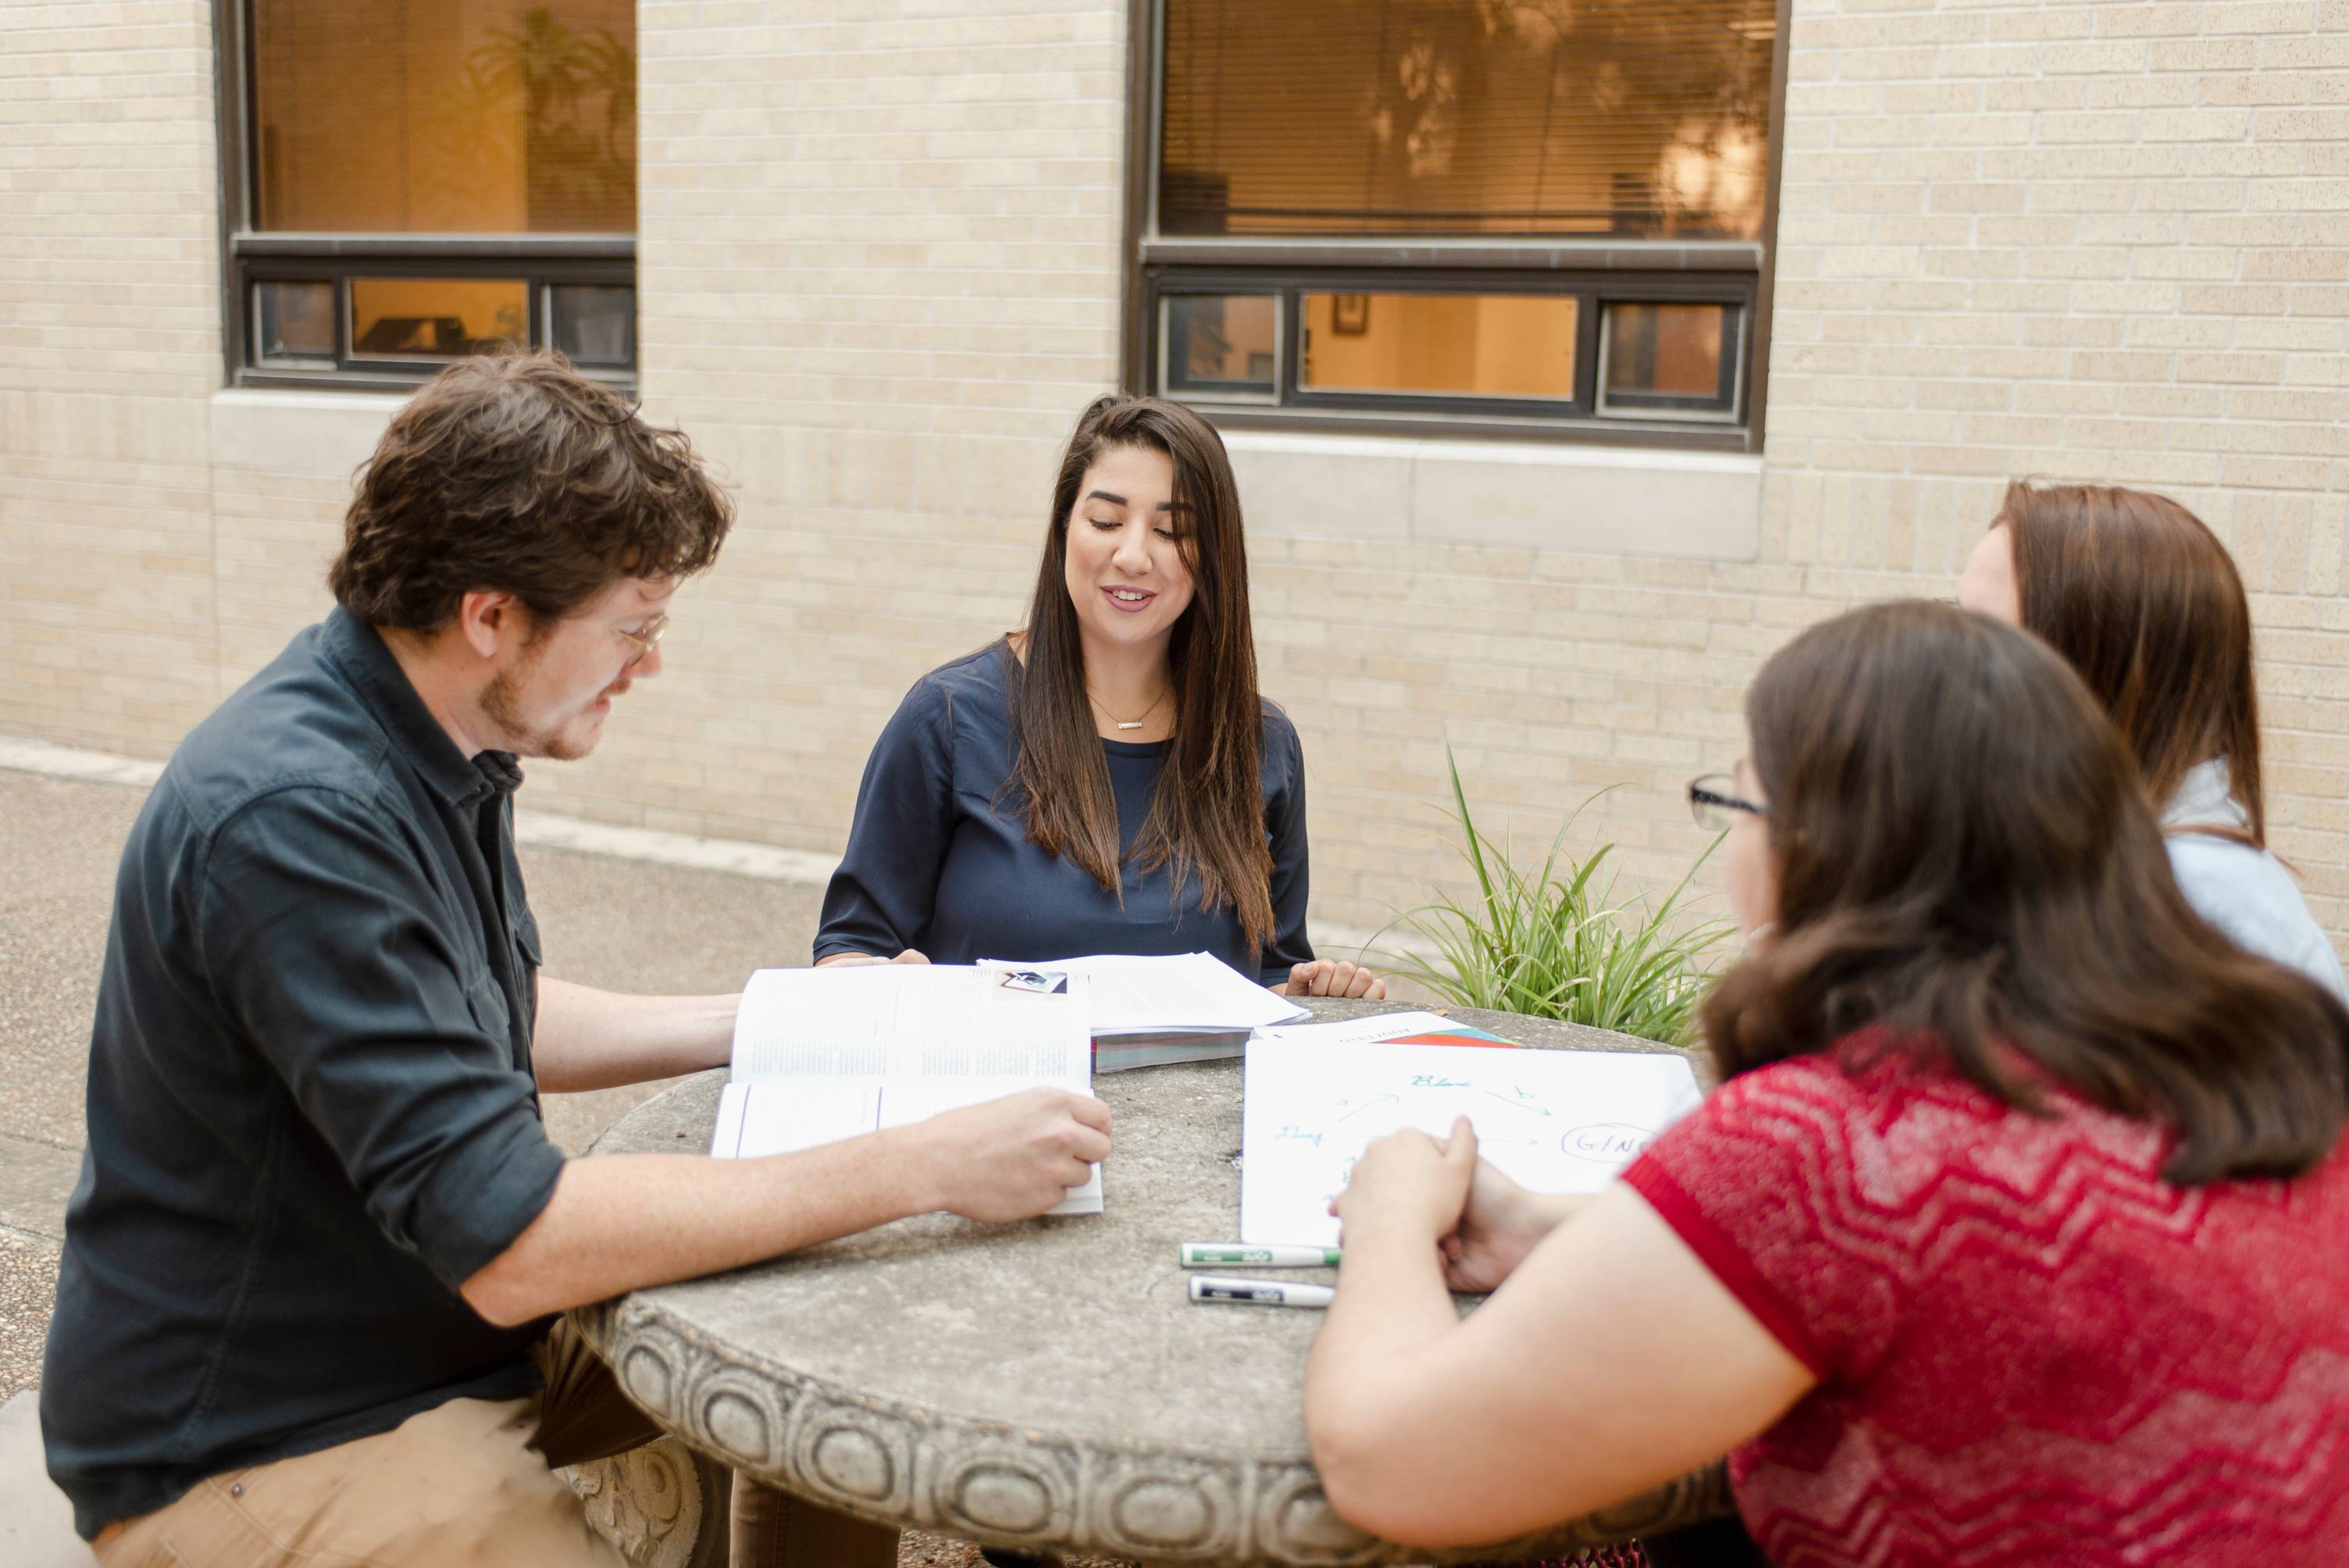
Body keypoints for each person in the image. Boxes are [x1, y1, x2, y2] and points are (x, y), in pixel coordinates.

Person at [41, 355, 1112, 1568]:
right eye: (634, 628)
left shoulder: (438, 728)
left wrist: (783, 1014)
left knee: (802, 1368)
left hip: (426, 1335)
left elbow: (499, 1013)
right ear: (492, 615)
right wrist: (926, 1162)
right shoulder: (298, 818)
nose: (647, 665)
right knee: (817, 1254)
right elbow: (518, 1245)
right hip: (265, 1430)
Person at [1302, 601, 2349, 1566]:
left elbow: (1391, 1463)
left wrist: (1394, 1216)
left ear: (1827, 846)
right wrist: (1546, 1226)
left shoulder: (1845, 1136)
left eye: (1738, 800)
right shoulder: (2259, 1055)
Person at [815, 394, 1381, 999]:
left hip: (1200, 1097)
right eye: (1106, 522)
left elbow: (1268, 971)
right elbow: (849, 950)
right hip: (1003, 1089)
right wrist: (885, 985)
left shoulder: (1260, 744)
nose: (1133, 556)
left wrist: (1310, 997)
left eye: (1171, 531)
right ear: (1064, 529)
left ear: (1212, 557)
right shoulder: (948, 718)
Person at [1958, 479, 2347, 998]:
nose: (1950, 669)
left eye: (1986, 644)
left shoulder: (2187, 900)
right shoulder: (2115, 867)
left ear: (2098, 667)